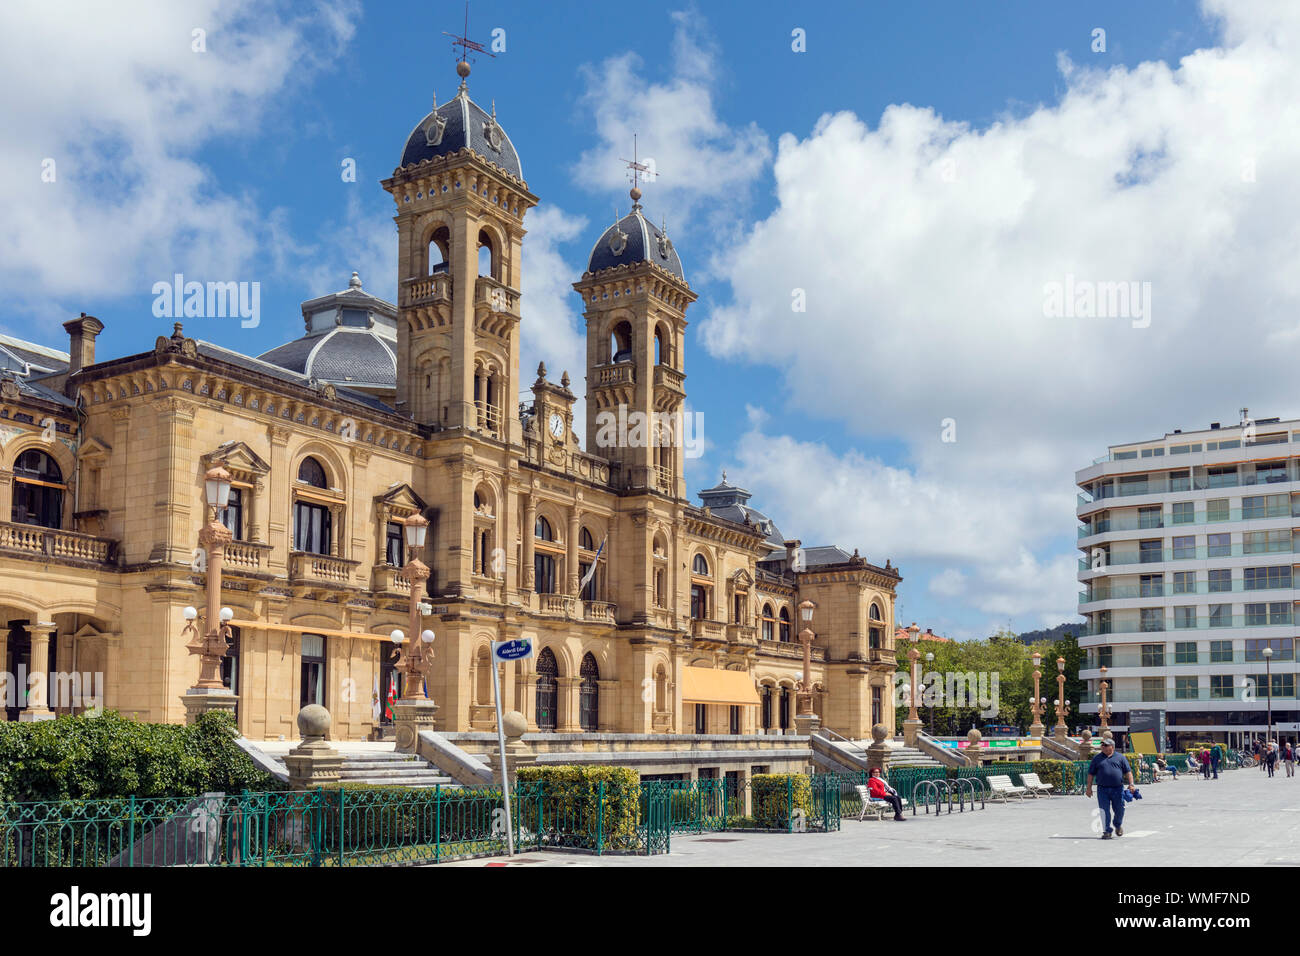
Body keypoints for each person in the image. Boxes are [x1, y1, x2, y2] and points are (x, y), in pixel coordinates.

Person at [1087, 738, 1137, 839]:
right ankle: (1107, 831)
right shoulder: (1097, 758)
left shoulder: (1120, 757)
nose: (1103, 747)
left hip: (1117, 789)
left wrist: (1131, 784)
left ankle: (1117, 825)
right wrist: (1089, 788)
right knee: (1104, 811)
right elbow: (1091, 774)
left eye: (1106, 745)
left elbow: (1128, 772)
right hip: (1102, 789)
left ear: (1112, 747)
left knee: (1120, 810)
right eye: (1102, 745)